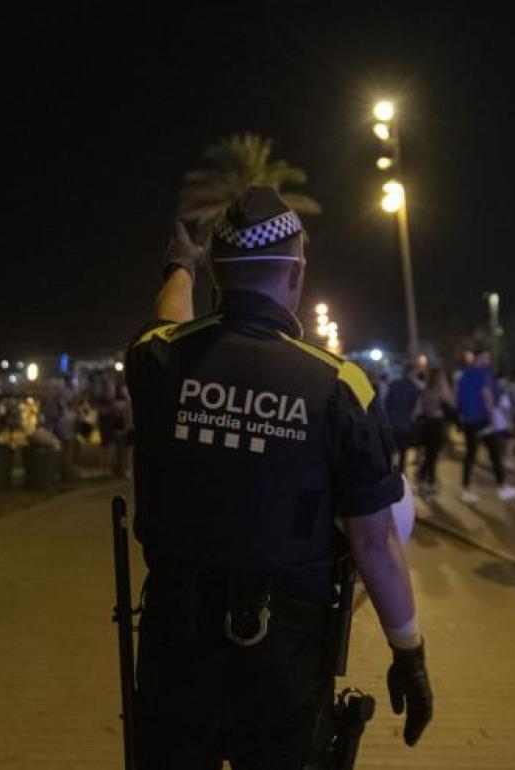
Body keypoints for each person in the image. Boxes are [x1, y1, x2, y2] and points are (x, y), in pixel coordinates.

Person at [125, 187, 432, 767]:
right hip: (282, 658)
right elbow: (374, 540)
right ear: (294, 275)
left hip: (174, 646)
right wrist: (408, 650)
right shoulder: (339, 385)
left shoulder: (158, 361)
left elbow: (165, 319)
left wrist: (179, 267)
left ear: (219, 274)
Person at [456, 349, 510, 503]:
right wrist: (493, 420)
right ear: (478, 358)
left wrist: (461, 418)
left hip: (469, 420)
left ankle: (465, 489)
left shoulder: (464, 375)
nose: (488, 360)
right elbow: (487, 396)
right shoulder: (482, 374)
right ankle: (502, 487)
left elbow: (457, 398)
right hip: (482, 419)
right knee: (494, 453)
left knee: (470, 454)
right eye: (486, 357)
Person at [415, 367, 454, 498]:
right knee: (433, 455)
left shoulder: (426, 390)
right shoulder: (439, 392)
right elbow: (452, 404)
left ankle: (423, 478)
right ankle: (429, 482)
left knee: (429, 454)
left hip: (427, 425)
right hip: (436, 425)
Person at [384, 362, 424, 474]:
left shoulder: (394, 384)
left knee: (391, 452)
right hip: (405, 424)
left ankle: (389, 472)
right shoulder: (414, 388)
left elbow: (387, 403)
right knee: (403, 452)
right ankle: (401, 475)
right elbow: (414, 408)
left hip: (392, 423)